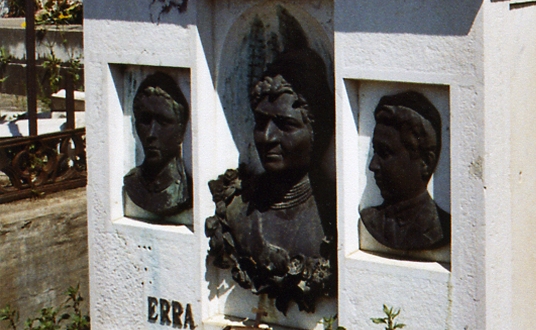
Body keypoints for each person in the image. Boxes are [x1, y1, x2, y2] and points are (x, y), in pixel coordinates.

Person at [206, 49, 335, 315]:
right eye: (260, 122)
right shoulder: (237, 208)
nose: (266, 137)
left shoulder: (333, 213)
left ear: (317, 131)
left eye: (285, 126)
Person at [360, 91, 450, 254]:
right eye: (375, 152)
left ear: (425, 162)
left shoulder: (441, 228)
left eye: (385, 153)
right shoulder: (371, 220)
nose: (373, 166)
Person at [123, 72, 192, 220]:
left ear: (181, 130)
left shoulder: (187, 190)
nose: (151, 134)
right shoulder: (132, 183)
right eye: (145, 121)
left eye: (163, 122)